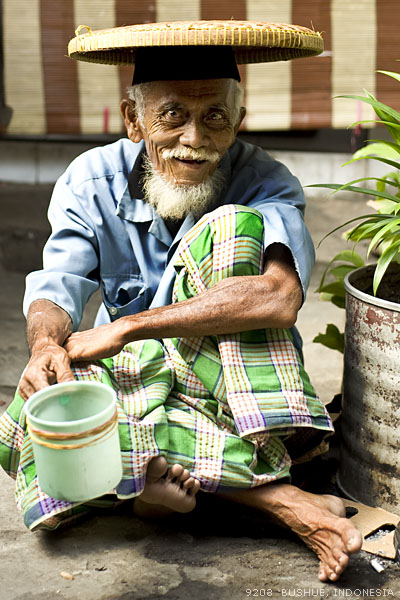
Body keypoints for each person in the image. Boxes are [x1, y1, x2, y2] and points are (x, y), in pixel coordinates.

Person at [0, 20, 362, 582]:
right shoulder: (90, 180)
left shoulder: (268, 181)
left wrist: (126, 328)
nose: (195, 137)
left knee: (234, 225)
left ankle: (147, 478)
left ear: (238, 122)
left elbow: (279, 296)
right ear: (133, 119)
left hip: (238, 390)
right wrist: (46, 344)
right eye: (173, 115)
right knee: (34, 417)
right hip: (141, 387)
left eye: (215, 116)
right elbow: (57, 285)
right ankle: (285, 502)